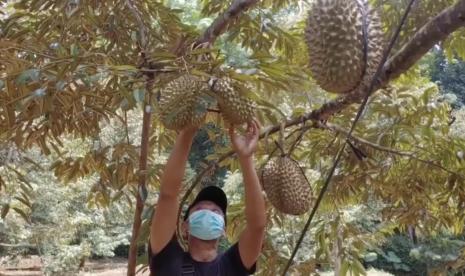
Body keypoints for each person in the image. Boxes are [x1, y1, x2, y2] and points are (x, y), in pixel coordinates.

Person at [148, 119, 266, 275]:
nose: (208, 213)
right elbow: (168, 196)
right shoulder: (167, 258)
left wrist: (246, 159)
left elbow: (257, 227)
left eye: (216, 212)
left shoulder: (232, 264)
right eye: (199, 209)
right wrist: (188, 132)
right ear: (185, 228)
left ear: (223, 230)